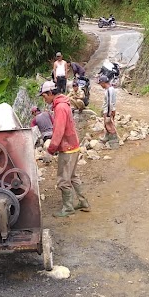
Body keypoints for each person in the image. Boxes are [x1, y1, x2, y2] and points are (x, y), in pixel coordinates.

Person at [40, 81, 90, 217]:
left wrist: (50, 150)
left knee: (63, 180)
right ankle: (83, 202)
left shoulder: (60, 107)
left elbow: (58, 131)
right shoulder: (63, 104)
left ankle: (68, 208)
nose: (44, 99)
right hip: (73, 145)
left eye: (44, 96)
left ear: (51, 93)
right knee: (73, 176)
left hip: (67, 148)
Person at [98, 75, 119, 142]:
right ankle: (107, 136)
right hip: (107, 110)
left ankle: (114, 141)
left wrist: (108, 115)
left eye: (101, 84)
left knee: (110, 126)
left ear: (103, 83)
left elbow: (110, 103)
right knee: (106, 125)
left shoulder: (109, 90)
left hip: (108, 111)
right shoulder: (110, 89)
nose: (101, 85)